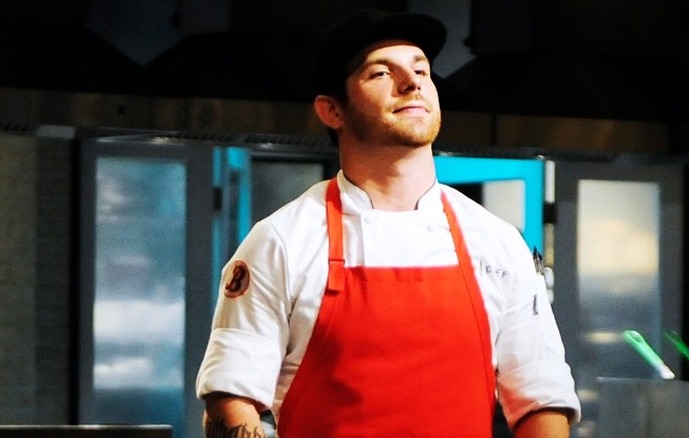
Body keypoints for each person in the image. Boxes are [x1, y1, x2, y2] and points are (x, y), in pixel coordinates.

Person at [195, 8, 581, 437]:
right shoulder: (282, 241)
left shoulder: (496, 242)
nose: (412, 83)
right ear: (332, 111)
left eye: (421, 70)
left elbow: (540, 399)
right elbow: (231, 402)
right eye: (381, 73)